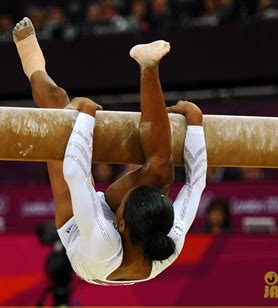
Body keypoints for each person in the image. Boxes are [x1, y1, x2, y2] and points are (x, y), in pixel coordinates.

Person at [13, 17, 207, 285]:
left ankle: (30, 58)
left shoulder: (102, 244)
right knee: (161, 171)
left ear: (121, 223)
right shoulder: (169, 238)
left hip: (83, 238)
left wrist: (85, 117)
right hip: (126, 232)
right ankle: (148, 65)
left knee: (57, 104)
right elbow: (195, 184)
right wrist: (196, 124)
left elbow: (76, 174)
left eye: (126, 199)